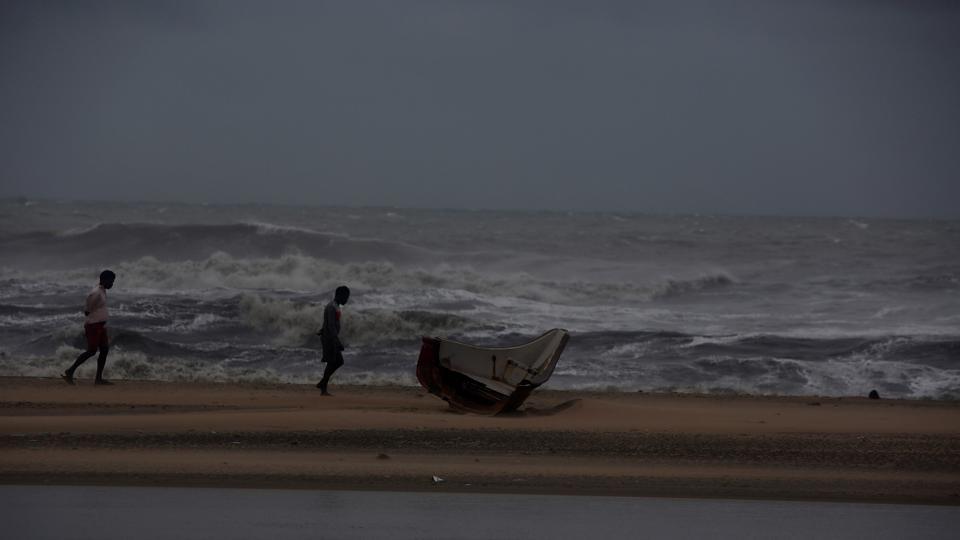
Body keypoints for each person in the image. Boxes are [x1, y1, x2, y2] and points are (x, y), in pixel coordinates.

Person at [61, 270, 116, 386]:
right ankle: (70, 371)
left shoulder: (102, 291)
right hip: (93, 326)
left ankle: (98, 379)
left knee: (104, 350)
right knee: (91, 351)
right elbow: (87, 309)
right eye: (111, 281)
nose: (112, 284)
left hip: (100, 326)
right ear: (104, 280)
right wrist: (94, 317)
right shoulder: (96, 293)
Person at [316, 285, 350, 395]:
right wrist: (337, 341)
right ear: (340, 296)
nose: (346, 300)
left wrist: (322, 329)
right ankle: (323, 386)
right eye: (346, 297)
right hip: (330, 338)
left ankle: (322, 384)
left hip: (330, 337)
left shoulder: (335, 306)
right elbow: (331, 325)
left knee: (335, 362)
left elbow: (329, 322)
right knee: (335, 362)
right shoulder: (331, 307)